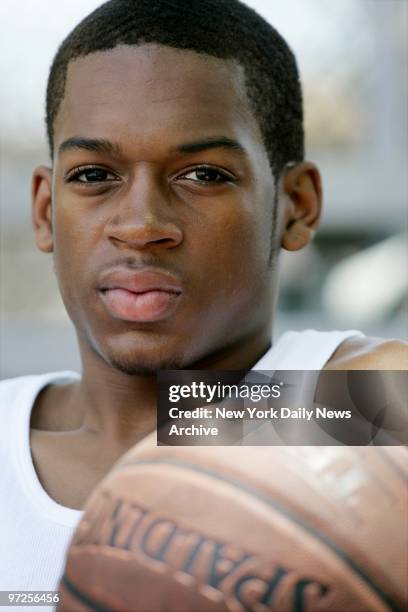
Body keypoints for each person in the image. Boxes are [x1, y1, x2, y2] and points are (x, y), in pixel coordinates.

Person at [0, 0, 406, 600]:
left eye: (204, 175)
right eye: (93, 175)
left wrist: (172, 420)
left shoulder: (352, 412)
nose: (140, 225)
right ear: (45, 210)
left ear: (296, 205)